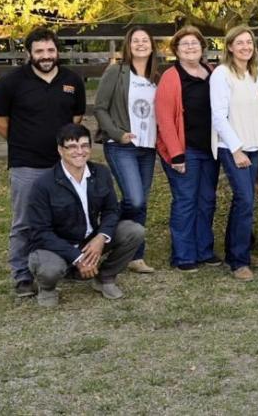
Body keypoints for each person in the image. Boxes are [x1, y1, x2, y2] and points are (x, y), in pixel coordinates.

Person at [0, 27, 86, 297]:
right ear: (29, 53)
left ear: (58, 51)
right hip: (26, 164)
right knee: (24, 222)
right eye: (40, 51)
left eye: (50, 50)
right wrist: (26, 141)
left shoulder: (72, 81)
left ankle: (67, 264)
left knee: (66, 217)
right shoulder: (11, 82)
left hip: (63, 164)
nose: (46, 56)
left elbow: (76, 118)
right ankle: (22, 275)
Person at [26, 124, 145, 307]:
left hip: (89, 241)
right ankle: (47, 288)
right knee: (50, 269)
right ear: (60, 150)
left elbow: (111, 210)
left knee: (134, 231)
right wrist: (77, 257)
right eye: (72, 147)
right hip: (56, 246)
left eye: (84, 146)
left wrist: (101, 237)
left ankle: (105, 277)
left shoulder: (101, 173)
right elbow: (40, 232)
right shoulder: (43, 185)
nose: (79, 152)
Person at [93, 26, 158, 274]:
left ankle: (135, 256)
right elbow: (100, 108)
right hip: (122, 146)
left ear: (152, 45)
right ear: (128, 46)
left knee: (141, 202)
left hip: (148, 147)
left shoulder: (156, 77)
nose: (140, 44)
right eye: (135, 41)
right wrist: (118, 134)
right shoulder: (116, 72)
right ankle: (102, 234)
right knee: (135, 198)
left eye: (145, 40)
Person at [156, 26, 221, 272]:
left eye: (194, 43)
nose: (190, 48)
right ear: (176, 50)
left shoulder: (212, 72)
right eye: (185, 45)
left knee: (207, 201)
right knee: (185, 201)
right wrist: (176, 153)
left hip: (210, 149)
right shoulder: (171, 76)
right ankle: (183, 256)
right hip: (185, 150)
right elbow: (164, 118)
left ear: (202, 47)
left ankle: (204, 250)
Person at [210, 25, 258, 280]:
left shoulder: (255, 74)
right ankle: (239, 262)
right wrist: (236, 149)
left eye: (249, 42)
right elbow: (219, 116)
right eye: (239, 42)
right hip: (233, 147)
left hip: (254, 145)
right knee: (244, 200)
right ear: (230, 47)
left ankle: (236, 251)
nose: (245, 47)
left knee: (245, 201)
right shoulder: (222, 74)